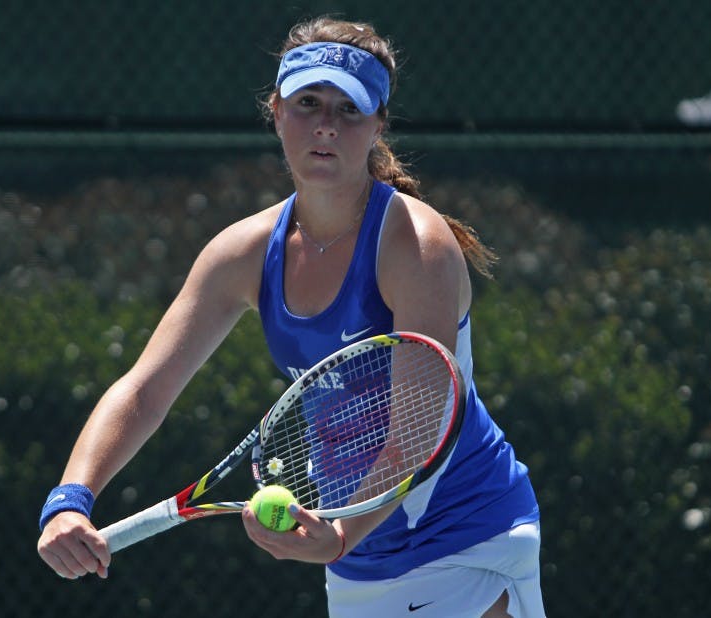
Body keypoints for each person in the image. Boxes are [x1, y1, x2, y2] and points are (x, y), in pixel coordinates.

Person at [36, 16, 545, 618]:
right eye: (308, 103)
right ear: (275, 111)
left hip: (465, 534)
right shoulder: (241, 254)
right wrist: (70, 498)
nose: (327, 124)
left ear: (378, 125)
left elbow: (418, 428)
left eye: (349, 109)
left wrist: (338, 534)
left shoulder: (416, 244)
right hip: (355, 554)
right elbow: (146, 390)